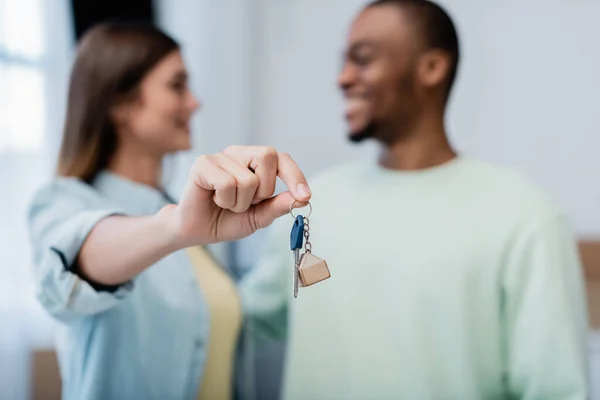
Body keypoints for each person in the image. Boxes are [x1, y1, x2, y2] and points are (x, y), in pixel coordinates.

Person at [239, 0, 590, 398]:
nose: (343, 78)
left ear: (432, 69)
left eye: (363, 59)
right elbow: (236, 322)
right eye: (344, 61)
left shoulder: (524, 218)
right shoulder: (309, 205)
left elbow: (555, 389)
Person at [27, 22, 311, 400]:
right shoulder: (64, 202)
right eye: (177, 86)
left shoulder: (193, 217)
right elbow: (76, 263)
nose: (194, 102)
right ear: (120, 103)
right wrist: (175, 226)